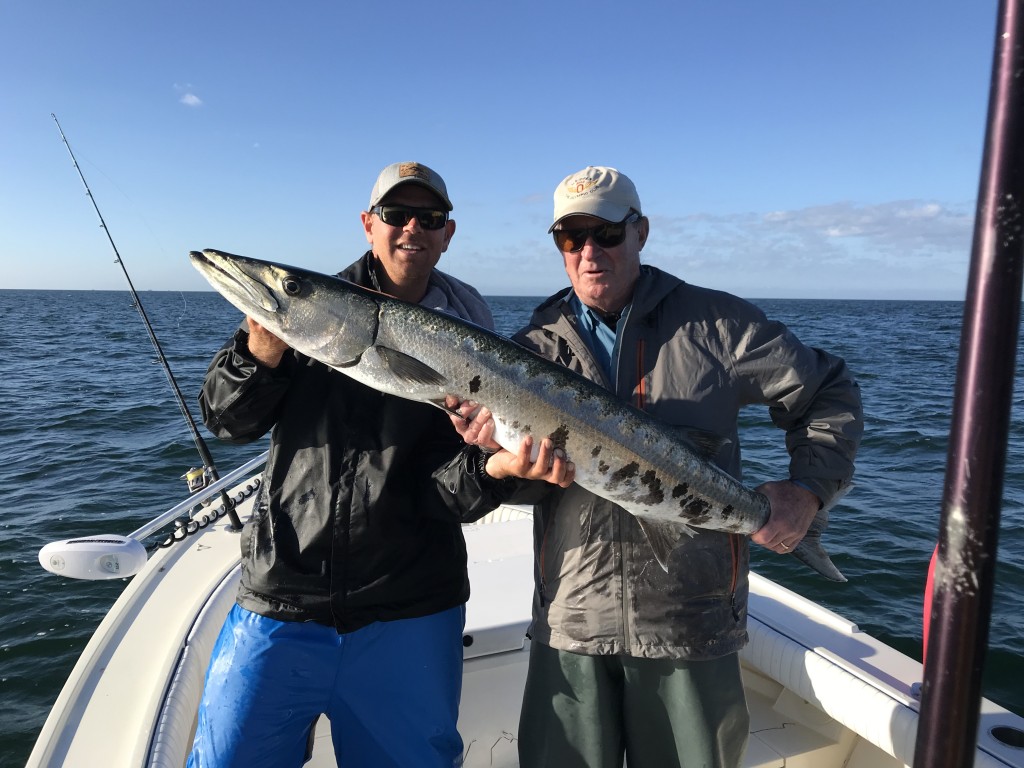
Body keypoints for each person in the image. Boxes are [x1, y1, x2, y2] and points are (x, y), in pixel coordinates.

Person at [440, 165, 864, 768]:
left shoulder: (718, 326)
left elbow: (829, 390)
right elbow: (536, 488)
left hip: (691, 622)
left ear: (640, 232)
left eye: (607, 234)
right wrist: (506, 465)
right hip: (570, 622)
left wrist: (808, 491)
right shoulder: (530, 349)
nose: (589, 253)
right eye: (571, 238)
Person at [188, 162, 500, 768]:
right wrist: (261, 354)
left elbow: (454, 496)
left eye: (428, 218)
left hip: (411, 608)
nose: (411, 227)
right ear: (368, 224)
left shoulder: (473, 347)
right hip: (283, 596)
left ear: (446, 234)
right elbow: (227, 421)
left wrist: (493, 464)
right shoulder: (305, 308)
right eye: (395, 214)